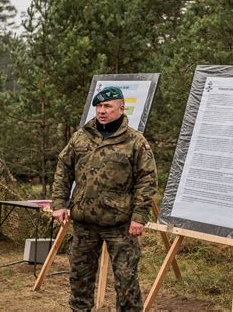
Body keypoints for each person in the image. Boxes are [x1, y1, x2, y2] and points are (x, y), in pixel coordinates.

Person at [51, 86, 157, 311]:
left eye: (107, 106)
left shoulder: (135, 142)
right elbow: (63, 169)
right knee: (80, 279)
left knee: (126, 280)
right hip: (84, 222)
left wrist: (139, 216)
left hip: (119, 225)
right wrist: (59, 204)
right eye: (99, 106)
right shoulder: (81, 137)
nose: (101, 111)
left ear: (121, 108)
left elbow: (147, 180)